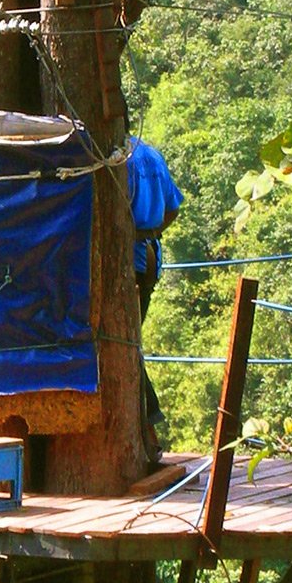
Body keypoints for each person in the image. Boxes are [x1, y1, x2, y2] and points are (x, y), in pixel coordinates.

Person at [128, 136, 184, 461]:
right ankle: (147, 427)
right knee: (131, 343)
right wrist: (151, 230)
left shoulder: (119, 158)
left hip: (129, 257)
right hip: (150, 253)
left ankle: (148, 422)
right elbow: (173, 207)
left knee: (123, 345)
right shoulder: (150, 154)